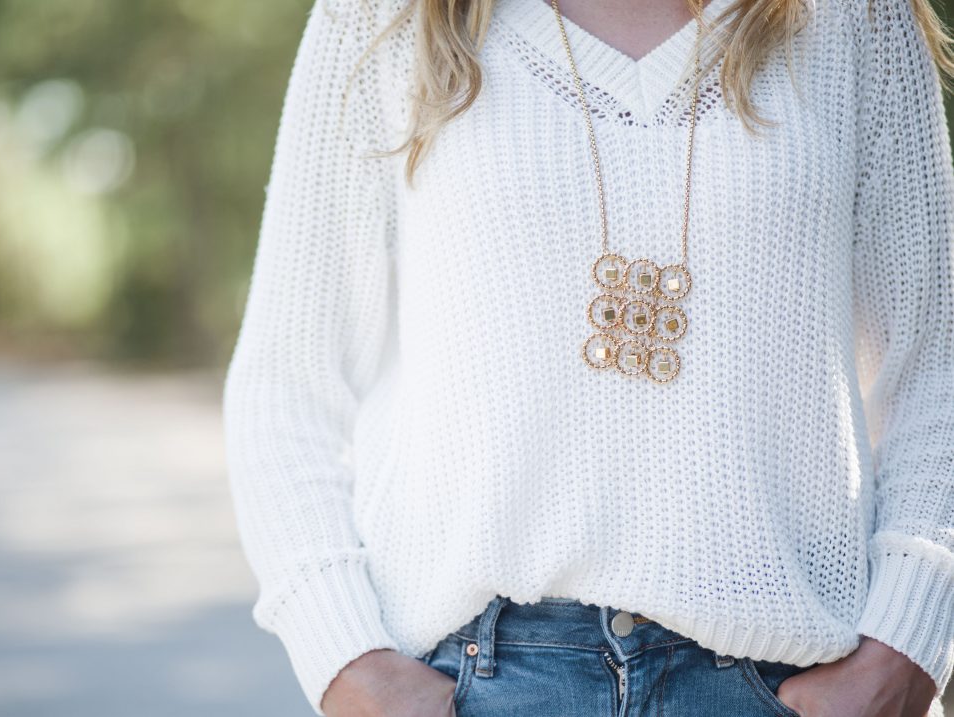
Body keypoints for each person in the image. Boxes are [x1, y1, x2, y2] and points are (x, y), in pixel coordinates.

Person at [222, 0, 954, 714]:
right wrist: (348, 661)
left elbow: (936, 366)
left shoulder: (856, 19)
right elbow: (286, 384)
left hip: (785, 673)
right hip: (478, 674)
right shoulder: (385, 17)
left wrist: (906, 644)